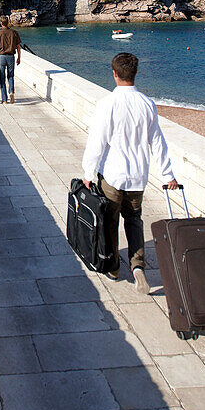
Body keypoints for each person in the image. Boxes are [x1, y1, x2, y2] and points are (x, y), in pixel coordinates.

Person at [80, 53, 179, 291]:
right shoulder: (147, 104)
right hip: (137, 177)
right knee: (134, 221)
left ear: (114, 73)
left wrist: (88, 172)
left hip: (113, 176)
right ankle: (138, 267)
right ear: (135, 73)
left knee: (110, 222)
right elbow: (157, 142)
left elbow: (97, 142)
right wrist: (168, 175)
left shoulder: (107, 104)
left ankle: (113, 267)